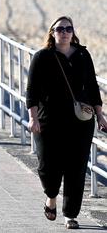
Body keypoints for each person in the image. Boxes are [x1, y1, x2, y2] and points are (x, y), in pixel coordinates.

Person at [26, 16, 107, 230]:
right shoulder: (42, 57)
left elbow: (91, 86)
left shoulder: (82, 54)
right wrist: (32, 118)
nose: (64, 32)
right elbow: (32, 91)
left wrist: (100, 114)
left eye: (68, 28)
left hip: (79, 122)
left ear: (73, 32)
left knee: (76, 168)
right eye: (60, 28)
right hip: (48, 120)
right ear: (52, 33)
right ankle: (51, 196)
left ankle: (70, 214)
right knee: (48, 165)